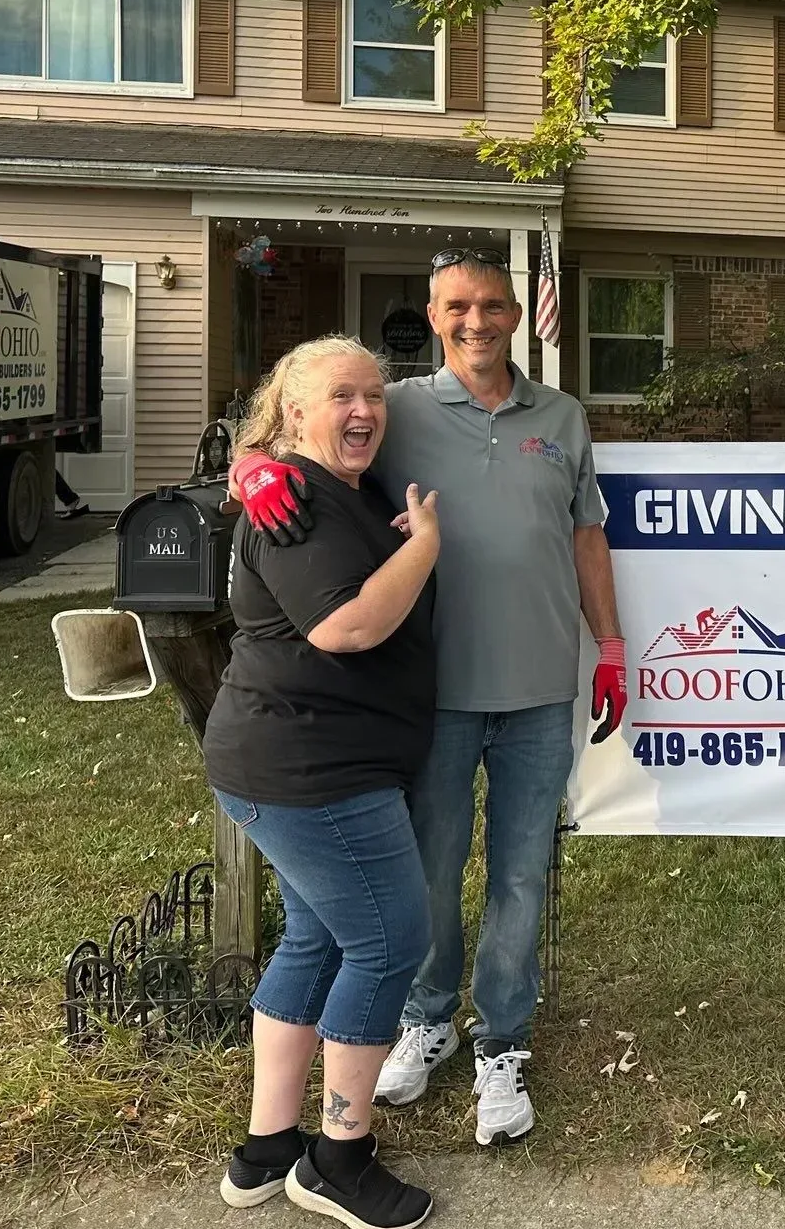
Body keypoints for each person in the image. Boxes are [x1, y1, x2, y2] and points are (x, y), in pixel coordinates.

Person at [230, 250, 627, 1149]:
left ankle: (503, 1041)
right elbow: (289, 435)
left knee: (523, 874)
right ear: (433, 313)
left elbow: (587, 534)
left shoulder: (561, 416)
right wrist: (251, 473)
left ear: (519, 314)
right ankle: (427, 1016)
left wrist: (608, 643)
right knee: (431, 871)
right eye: (458, 306)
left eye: (492, 305)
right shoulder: (395, 406)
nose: (476, 320)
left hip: (534, 693)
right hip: (430, 698)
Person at [206, 335, 442, 1229]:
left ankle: (266, 1148)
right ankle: (339, 1160)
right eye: (341, 395)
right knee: (388, 941)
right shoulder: (293, 498)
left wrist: (254, 465)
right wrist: (424, 546)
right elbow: (343, 628)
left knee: (314, 936)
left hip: (298, 761)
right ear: (292, 411)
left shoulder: (327, 488)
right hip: (311, 769)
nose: (364, 411)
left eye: (375, 395)